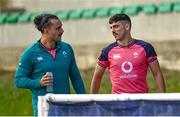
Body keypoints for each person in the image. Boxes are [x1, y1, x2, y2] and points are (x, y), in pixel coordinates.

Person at [14, 13, 86, 116]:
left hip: (65, 108)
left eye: (61, 27)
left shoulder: (67, 48)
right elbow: (18, 80)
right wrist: (39, 83)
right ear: (46, 30)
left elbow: (75, 77)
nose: (62, 31)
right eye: (58, 28)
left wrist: (84, 99)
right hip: (45, 110)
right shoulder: (30, 54)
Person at [90, 13, 166, 94]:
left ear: (127, 27)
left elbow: (157, 74)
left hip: (141, 100)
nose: (112, 30)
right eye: (111, 27)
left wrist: (163, 99)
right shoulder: (107, 51)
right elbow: (97, 77)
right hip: (117, 101)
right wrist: (92, 101)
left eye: (116, 26)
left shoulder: (146, 47)